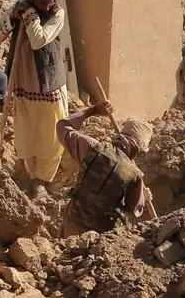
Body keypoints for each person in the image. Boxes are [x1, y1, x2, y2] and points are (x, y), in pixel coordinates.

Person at [0, 0, 69, 183]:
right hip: (24, 84)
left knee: (50, 136)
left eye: (50, 0)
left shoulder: (57, 14)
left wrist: (31, 16)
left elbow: (38, 40)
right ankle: (31, 176)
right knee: (26, 134)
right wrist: (11, 18)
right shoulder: (19, 9)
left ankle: (43, 180)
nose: (47, 5)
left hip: (48, 87)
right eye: (42, 1)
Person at [56, 99, 154, 235]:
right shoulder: (135, 175)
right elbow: (134, 211)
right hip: (101, 239)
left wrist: (93, 110)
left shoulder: (92, 147)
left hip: (72, 225)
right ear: (138, 149)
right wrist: (144, 198)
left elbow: (62, 126)